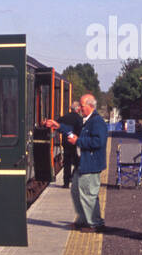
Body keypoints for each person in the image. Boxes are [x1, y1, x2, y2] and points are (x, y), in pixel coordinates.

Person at [66, 93, 107, 231]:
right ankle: (82, 219)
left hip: (91, 164)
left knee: (89, 194)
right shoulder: (86, 121)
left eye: (81, 106)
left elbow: (98, 141)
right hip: (82, 163)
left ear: (90, 106)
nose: (79, 109)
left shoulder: (97, 122)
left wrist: (78, 141)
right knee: (76, 191)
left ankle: (95, 223)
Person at [45, 101, 82, 186]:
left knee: (67, 163)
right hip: (75, 143)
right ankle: (74, 178)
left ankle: (66, 183)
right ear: (78, 109)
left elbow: (56, 125)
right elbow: (80, 131)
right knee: (77, 162)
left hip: (66, 143)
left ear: (71, 108)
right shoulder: (79, 119)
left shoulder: (65, 117)